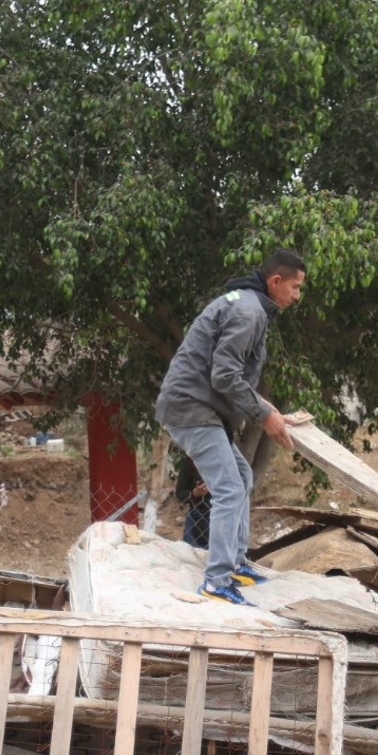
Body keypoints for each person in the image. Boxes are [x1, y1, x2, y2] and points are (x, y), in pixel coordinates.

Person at [154, 249, 305, 605]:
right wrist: (264, 414)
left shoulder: (248, 305)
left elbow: (230, 377)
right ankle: (216, 581)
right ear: (276, 281)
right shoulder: (248, 312)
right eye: (295, 287)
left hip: (199, 407)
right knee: (228, 488)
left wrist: (271, 411)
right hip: (191, 409)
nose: (298, 296)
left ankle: (235, 564)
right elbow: (224, 376)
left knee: (241, 477)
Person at [173, 452, 211, 549]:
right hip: (197, 517)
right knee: (191, 554)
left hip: (222, 518)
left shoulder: (228, 459)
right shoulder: (191, 459)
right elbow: (180, 493)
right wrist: (195, 493)